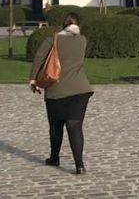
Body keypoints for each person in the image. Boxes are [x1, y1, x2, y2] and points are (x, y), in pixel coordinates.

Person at [29, 13, 93, 174]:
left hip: (56, 90)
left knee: (56, 126)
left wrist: (33, 79)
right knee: (75, 127)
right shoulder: (82, 40)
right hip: (81, 89)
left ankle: (54, 157)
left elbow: (39, 58)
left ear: (63, 24)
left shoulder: (53, 40)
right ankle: (79, 165)